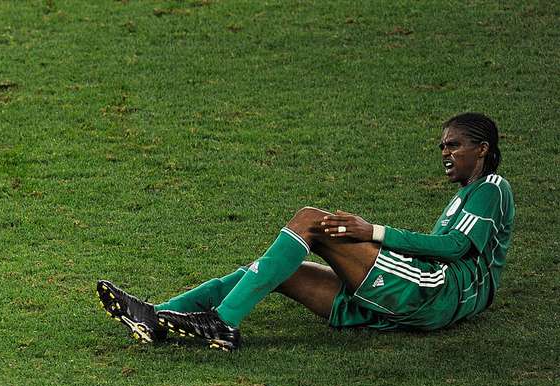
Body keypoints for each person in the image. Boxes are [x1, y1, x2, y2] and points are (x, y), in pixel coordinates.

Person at [98, 113, 515, 351]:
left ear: (482, 149)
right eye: (442, 145)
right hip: (420, 300)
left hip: (435, 295)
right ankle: (156, 317)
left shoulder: (492, 188)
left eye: (455, 144)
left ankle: (222, 322)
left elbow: (458, 247)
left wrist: (373, 232)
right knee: (275, 270)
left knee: (311, 219)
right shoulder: (464, 196)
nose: (445, 152)